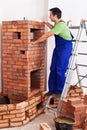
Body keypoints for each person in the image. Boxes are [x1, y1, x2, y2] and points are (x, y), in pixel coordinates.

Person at [31, 7, 73, 96]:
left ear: (55, 15)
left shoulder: (61, 25)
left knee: (60, 70)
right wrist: (46, 23)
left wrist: (35, 41)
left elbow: (47, 35)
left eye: (50, 15)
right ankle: (52, 90)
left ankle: (60, 91)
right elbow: (53, 27)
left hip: (65, 48)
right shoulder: (58, 25)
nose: (49, 16)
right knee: (53, 68)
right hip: (58, 48)